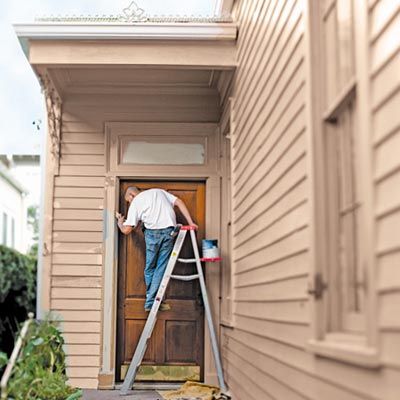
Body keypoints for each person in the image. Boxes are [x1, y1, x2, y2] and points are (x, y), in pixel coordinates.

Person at [116, 186, 198, 312]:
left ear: (132, 195)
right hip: (169, 232)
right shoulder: (159, 191)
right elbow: (179, 202)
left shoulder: (136, 202)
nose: (130, 203)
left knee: (150, 268)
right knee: (161, 267)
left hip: (153, 234)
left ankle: (150, 302)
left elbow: (127, 230)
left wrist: (120, 223)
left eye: (129, 200)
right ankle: (156, 301)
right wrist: (191, 222)